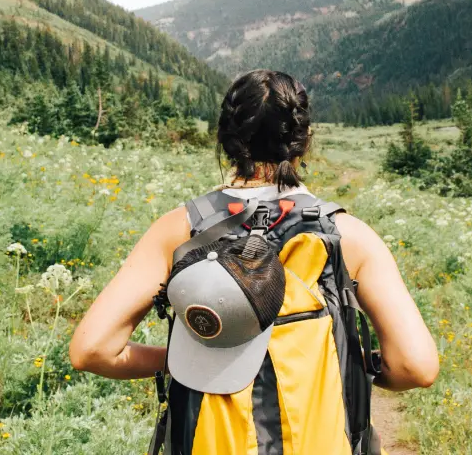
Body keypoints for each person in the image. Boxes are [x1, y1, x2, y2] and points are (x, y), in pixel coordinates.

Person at [69, 69, 438, 454]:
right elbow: (416, 366)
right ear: (303, 141)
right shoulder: (348, 235)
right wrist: (349, 360)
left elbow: (92, 349)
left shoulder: (178, 229)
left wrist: (175, 360)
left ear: (225, 140)